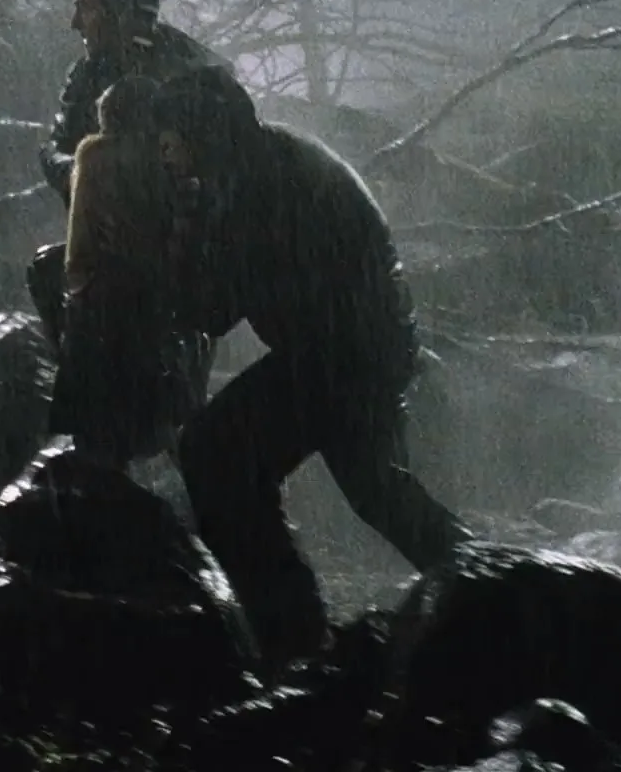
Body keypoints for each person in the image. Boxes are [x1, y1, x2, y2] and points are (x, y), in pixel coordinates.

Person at [153, 65, 476, 675]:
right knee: (377, 492)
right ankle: (489, 592)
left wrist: (177, 232)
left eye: (169, 141)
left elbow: (212, 308)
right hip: (362, 345)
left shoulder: (249, 185)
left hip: (340, 354)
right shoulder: (266, 158)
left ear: (198, 132)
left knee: (215, 454)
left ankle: (292, 638)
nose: (164, 155)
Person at [29, 0, 231, 358]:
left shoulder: (195, 71)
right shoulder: (86, 75)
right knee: (48, 275)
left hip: (184, 250)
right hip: (114, 245)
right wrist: (88, 175)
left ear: (119, 11)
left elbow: (221, 171)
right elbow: (55, 149)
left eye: (86, 7)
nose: (75, 23)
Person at [48, 75, 187, 465]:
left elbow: (81, 239)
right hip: (151, 299)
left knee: (96, 417)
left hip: (102, 298)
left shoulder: (94, 156)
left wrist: (76, 285)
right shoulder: (165, 157)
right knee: (144, 406)